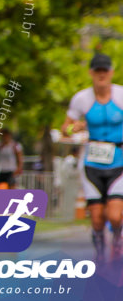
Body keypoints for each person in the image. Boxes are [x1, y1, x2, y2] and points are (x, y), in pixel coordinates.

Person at [62, 53, 123, 262]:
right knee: (97, 219)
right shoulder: (82, 98)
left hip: (119, 162)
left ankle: (117, 239)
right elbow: (65, 128)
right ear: (91, 73)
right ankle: (99, 252)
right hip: (92, 164)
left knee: (114, 215)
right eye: (97, 71)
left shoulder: (121, 96)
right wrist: (73, 127)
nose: (101, 75)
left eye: (105, 70)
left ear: (111, 72)